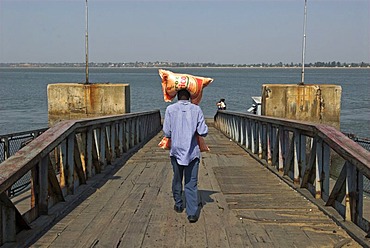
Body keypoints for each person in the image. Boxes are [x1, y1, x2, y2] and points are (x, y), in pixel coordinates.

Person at [162, 89, 208, 223]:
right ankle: (192, 212)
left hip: (176, 151)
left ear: (177, 97)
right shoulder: (196, 110)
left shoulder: (170, 109)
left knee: (177, 178)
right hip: (192, 152)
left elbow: (167, 131)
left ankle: (178, 203)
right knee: (191, 182)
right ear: (189, 97)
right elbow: (202, 131)